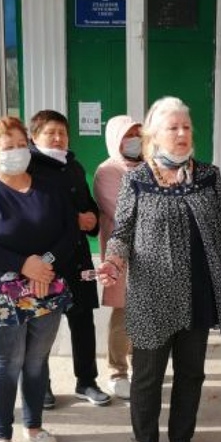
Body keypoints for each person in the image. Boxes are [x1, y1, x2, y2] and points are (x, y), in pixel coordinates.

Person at [100, 96, 221, 442]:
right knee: (147, 376)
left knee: (191, 373)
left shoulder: (208, 176)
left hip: (198, 291)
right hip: (151, 294)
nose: (181, 133)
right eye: (172, 127)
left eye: (186, 127)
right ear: (154, 135)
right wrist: (112, 263)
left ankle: (181, 441)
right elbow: (122, 233)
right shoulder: (137, 180)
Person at [0, 116, 79, 442]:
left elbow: (70, 232)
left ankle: (34, 425)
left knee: (37, 361)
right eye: (7, 146)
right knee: (6, 363)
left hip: (47, 286)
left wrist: (45, 264)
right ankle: (1, 434)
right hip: (2, 292)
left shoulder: (49, 187)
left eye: (20, 145)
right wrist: (23, 264)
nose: (16, 151)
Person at [28, 110, 110, 407]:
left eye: (62, 133)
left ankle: (86, 381)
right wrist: (72, 220)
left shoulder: (73, 166)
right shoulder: (29, 167)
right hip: (46, 260)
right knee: (41, 325)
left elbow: (86, 202)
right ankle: (41, 385)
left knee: (83, 320)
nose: (58, 138)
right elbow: (31, 211)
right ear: (34, 136)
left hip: (79, 258)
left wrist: (92, 218)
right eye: (50, 133)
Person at [93, 115, 143, 400]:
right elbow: (122, 211)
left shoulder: (152, 166)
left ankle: (141, 366)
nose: (136, 140)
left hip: (152, 254)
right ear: (116, 139)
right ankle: (117, 371)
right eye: (128, 135)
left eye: (138, 134)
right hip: (121, 254)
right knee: (124, 312)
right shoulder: (108, 171)